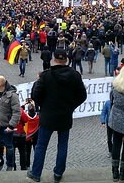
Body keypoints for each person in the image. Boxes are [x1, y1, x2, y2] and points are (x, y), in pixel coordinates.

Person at [28, 48, 87, 183]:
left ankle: (36, 173)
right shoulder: (75, 75)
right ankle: (58, 173)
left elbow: (35, 95)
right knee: (62, 145)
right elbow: (82, 96)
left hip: (48, 115)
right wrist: (71, 106)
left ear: (54, 60)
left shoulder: (46, 75)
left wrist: (43, 105)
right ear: (66, 60)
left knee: (41, 146)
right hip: (65, 115)